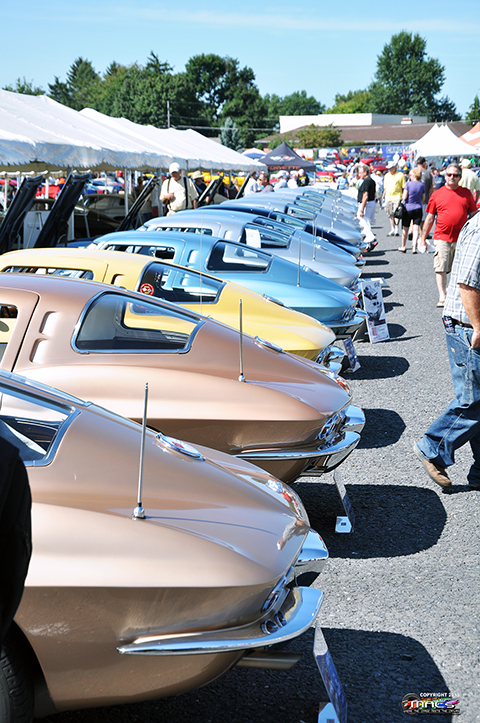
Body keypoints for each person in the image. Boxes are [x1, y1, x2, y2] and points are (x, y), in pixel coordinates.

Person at [414, 211, 480, 491]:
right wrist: (478, 326)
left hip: (470, 326)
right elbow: (468, 283)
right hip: (468, 327)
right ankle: (433, 447)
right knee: (474, 399)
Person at [419, 163, 477, 307]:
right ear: (445, 176)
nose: (452, 177)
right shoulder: (437, 194)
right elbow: (430, 218)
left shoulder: (466, 193)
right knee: (441, 267)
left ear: (460, 177)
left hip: (462, 239)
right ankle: (442, 296)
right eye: (449, 175)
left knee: (461, 269)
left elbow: (474, 215)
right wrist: (422, 239)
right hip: (442, 237)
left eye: (455, 175)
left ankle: (456, 296)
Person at [398, 168, 425, 253]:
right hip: (418, 207)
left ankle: (403, 246)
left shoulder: (408, 184)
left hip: (408, 208)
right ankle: (414, 247)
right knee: (416, 229)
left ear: (414, 175)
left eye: (411, 175)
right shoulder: (422, 185)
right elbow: (423, 198)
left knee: (405, 228)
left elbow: (404, 197)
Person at [356, 164, 377, 252]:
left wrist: (362, 209)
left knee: (363, 222)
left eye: (360, 172)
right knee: (367, 223)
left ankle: (372, 239)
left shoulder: (366, 181)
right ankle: (368, 244)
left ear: (365, 172)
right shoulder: (371, 181)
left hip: (366, 204)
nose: (359, 174)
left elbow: (365, 196)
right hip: (371, 203)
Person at [382, 161, 406, 236]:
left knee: (397, 213)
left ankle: (396, 228)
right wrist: (383, 196)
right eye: (388, 168)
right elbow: (385, 187)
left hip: (397, 197)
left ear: (394, 168)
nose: (389, 169)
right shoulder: (386, 176)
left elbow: (403, 187)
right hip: (388, 197)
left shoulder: (400, 175)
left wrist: (403, 197)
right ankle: (392, 228)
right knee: (390, 214)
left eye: (390, 168)